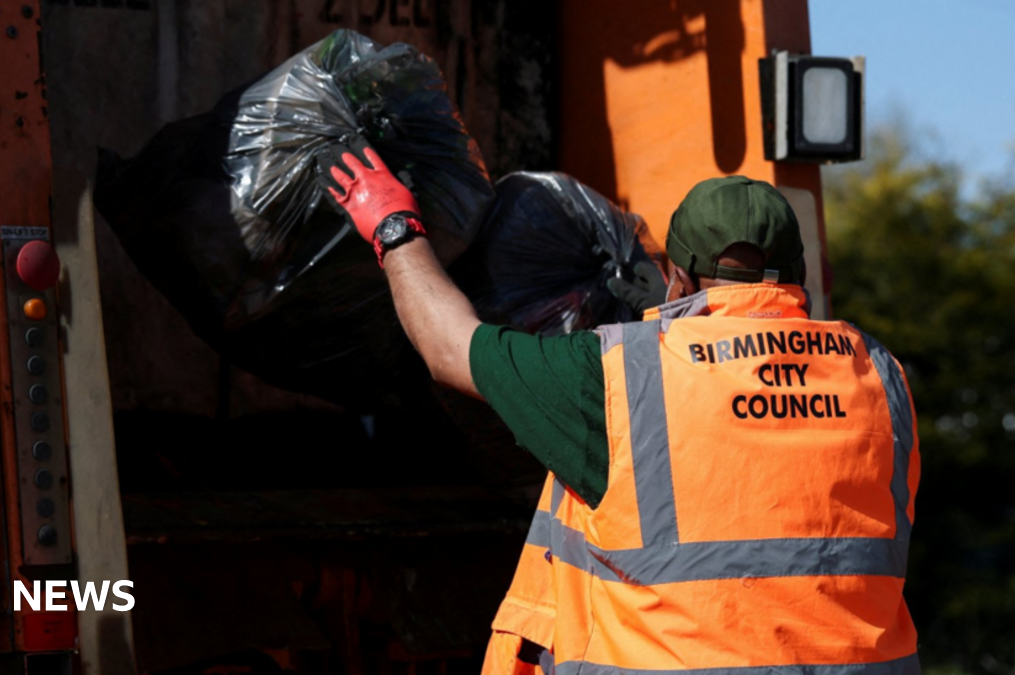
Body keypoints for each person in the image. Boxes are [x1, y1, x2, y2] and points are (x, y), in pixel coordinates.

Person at [318, 141, 921, 675]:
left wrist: (393, 227)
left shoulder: (619, 380)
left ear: (676, 279)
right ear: (799, 276)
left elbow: (449, 347)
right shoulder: (882, 379)